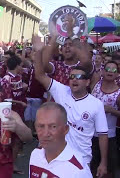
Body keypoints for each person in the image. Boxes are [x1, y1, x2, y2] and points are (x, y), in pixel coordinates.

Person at [34, 49, 108, 178]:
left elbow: (103, 135)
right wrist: (40, 51)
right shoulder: (62, 91)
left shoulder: (96, 104)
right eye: (72, 76)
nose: (74, 80)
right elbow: (40, 75)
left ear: (87, 82)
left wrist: (103, 163)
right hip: (57, 156)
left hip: (81, 159)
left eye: (79, 77)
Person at [29, 102, 92, 178]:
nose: (45, 133)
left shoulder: (78, 171)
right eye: (41, 126)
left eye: (53, 126)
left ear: (65, 129)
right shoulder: (35, 154)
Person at [90, 61, 120, 177]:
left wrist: (111, 110)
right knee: (92, 167)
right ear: (103, 71)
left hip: (109, 137)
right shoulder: (96, 85)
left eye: (113, 70)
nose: (110, 72)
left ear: (117, 74)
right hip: (91, 135)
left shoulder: (118, 93)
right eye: (107, 69)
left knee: (111, 169)